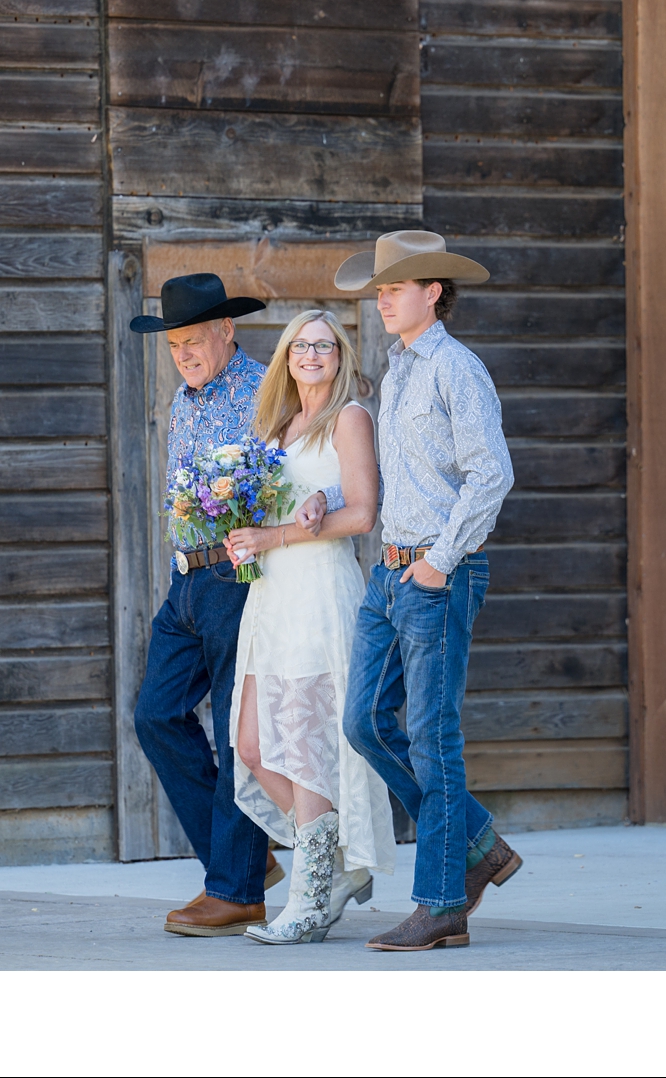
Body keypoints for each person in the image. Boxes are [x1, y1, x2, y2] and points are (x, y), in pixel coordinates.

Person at [333, 230, 523, 952]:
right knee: (364, 724)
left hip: (438, 573)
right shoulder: (398, 370)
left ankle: (442, 902)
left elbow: (491, 474)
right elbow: (400, 478)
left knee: (433, 739)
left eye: (395, 287)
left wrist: (441, 560)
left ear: (433, 292)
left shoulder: (456, 369)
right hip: (391, 572)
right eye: (379, 288)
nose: (381, 299)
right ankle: (477, 842)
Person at [129, 273, 332, 937]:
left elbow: (299, 463)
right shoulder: (182, 401)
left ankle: (237, 889)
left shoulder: (262, 391)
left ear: (227, 330)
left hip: (237, 579)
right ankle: (242, 857)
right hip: (184, 581)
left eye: (194, 340)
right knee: (156, 715)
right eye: (174, 344)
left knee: (235, 732)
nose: (183, 353)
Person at [221, 309, 396, 944]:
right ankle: (340, 865)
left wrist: (287, 529)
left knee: (305, 744)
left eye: (324, 345)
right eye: (301, 346)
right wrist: (243, 529)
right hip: (272, 596)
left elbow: (363, 514)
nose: (313, 355)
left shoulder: (348, 417)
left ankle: (307, 899)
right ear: (287, 359)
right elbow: (271, 507)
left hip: (321, 593)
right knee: (254, 745)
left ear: (340, 356)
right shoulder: (276, 426)